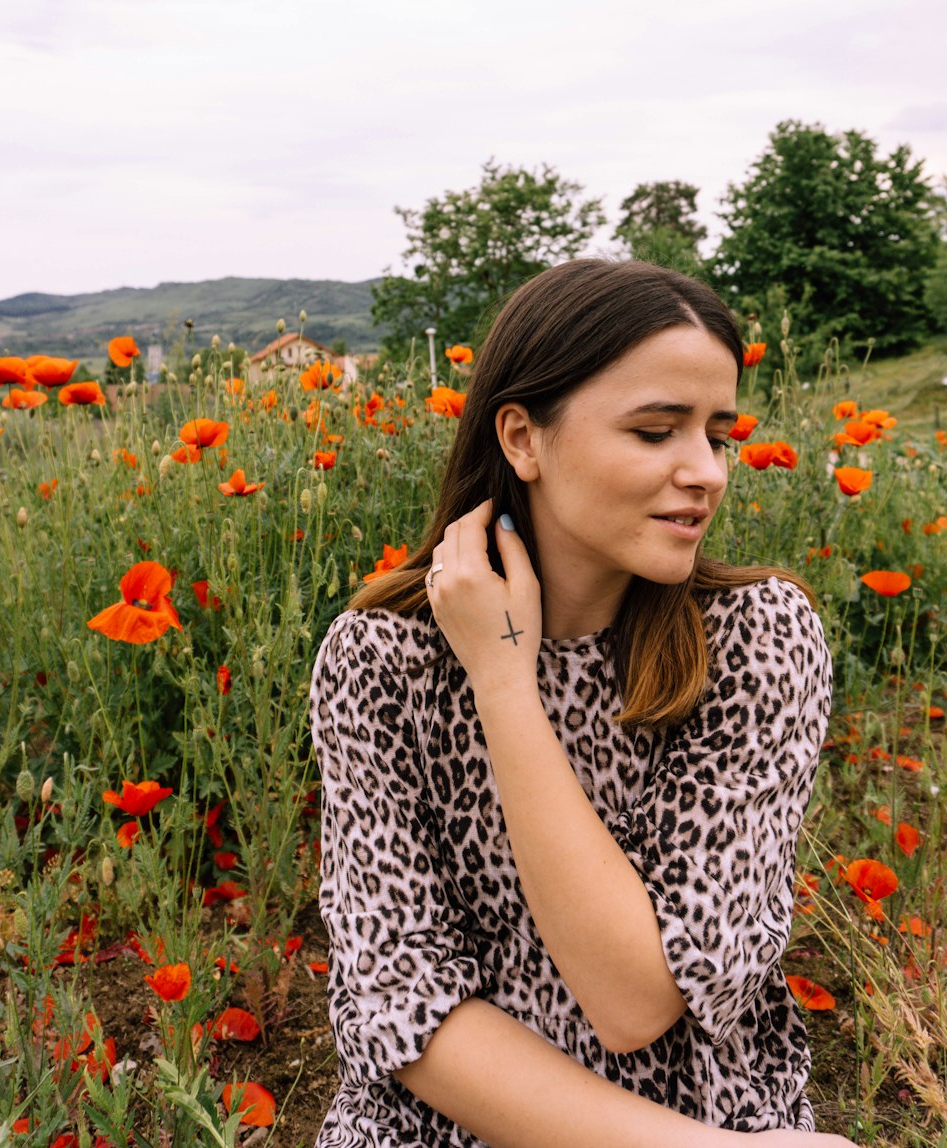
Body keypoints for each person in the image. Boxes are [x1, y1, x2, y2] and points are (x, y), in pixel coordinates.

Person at [310, 259, 856, 1148]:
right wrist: (499, 675)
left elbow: (635, 1001)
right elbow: (403, 1008)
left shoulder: (757, 637)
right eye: (654, 432)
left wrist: (505, 685)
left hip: (697, 1109)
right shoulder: (381, 658)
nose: (707, 472)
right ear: (524, 439)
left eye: (716, 434)